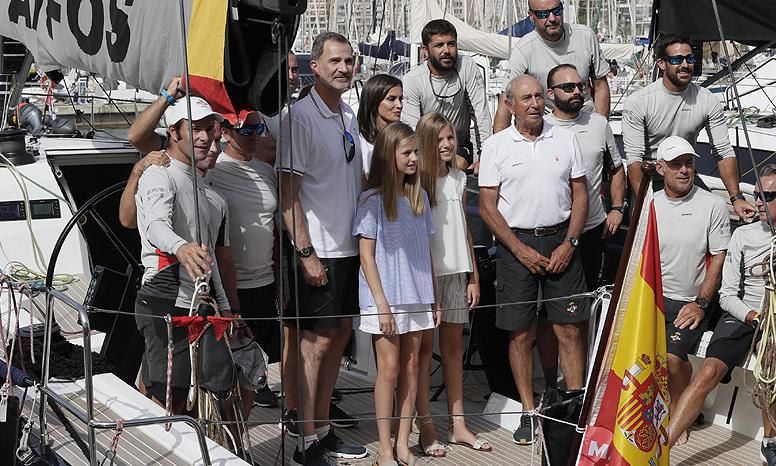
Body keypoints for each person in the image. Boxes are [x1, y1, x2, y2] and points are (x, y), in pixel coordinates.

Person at [479, 75, 589, 445]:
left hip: (561, 239)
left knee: (570, 328)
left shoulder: (566, 138)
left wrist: (570, 242)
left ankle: (575, 407)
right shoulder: (496, 146)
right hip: (516, 244)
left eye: (539, 95)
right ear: (509, 104)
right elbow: (487, 207)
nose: (535, 103)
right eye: (526, 98)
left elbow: (581, 195)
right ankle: (528, 410)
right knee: (521, 332)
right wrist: (518, 249)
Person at [278, 31, 367, 466]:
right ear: (314, 66)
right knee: (314, 343)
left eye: (349, 61)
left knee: (340, 336)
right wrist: (306, 253)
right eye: (335, 61)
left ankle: (324, 429)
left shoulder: (349, 114)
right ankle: (306, 441)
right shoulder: (299, 118)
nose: (344, 68)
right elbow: (288, 195)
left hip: (350, 246)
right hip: (319, 248)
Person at [667, 165, 776, 463]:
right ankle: (661, 448)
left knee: (772, 373)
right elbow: (727, 295)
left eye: (768, 195)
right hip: (743, 314)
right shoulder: (743, 236)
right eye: (756, 194)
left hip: (774, 322)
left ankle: (770, 440)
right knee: (709, 371)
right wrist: (754, 316)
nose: (758, 202)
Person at [133, 98, 232, 415]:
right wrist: (180, 247)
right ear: (173, 132)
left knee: (199, 395)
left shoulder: (201, 185)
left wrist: (226, 308)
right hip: (164, 296)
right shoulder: (159, 174)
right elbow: (155, 226)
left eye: (208, 129)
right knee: (167, 399)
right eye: (196, 129)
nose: (205, 137)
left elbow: (208, 255)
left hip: (198, 303)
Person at [536, 63, 626, 390]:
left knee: (583, 311)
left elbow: (616, 168)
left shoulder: (599, 124)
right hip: (552, 233)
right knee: (546, 316)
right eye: (568, 87)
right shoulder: (540, 126)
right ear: (551, 95)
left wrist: (617, 208)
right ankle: (550, 387)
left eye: (580, 86)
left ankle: (582, 386)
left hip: (591, 232)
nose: (577, 92)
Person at [354, 121, 439, 466]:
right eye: (407, 152)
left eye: (416, 151)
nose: (415, 158)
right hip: (385, 295)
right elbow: (366, 255)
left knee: (412, 368)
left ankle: (404, 442)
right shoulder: (372, 201)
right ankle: (385, 447)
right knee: (388, 370)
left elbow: (426, 252)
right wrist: (382, 305)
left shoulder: (420, 199)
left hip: (418, 294)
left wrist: (433, 297)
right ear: (389, 156)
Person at [415, 112, 490, 456]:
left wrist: (473, 275)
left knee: (454, 350)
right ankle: (425, 426)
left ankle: (457, 423)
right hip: (428, 275)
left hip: (457, 272)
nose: (446, 144)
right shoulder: (418, 182)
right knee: (419, 354)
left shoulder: (459, 179)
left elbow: (464, 228)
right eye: (439, 139)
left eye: (450, 138)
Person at [622, 34, 756, 221]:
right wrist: (648, 205)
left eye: (690, 58)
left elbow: (723, 151)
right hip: (650, 177)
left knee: (714, 213)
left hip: (685, 174)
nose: (685, 65)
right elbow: (634, 160)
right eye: (677, 60)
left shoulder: (707, 99)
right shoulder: (639, 102)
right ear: (661, 64)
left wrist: (737, 198)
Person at [652, 136, 730, 445]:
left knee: (672, 358)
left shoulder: (713, 205)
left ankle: (680, 411)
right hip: (654, 300)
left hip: (693, 301)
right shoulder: (650, 204)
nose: (684, 170)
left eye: (689, 163)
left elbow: (718, 259)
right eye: (676, 165)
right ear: (660, 169)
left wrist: (700, 303)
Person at [206, 111, 281, 410]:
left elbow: (272, 227)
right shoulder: (213, 170)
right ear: (225, 132)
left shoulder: (266, 170)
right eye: (243, 130)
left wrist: (279, 282)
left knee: (254, 367)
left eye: (256, 129)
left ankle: (242, 436)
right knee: (229, 371)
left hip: (264, 282)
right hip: (229, 288)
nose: (251, 136)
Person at [493, 0, 610, 132]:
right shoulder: (524, 49)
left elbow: (600, 86)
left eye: (557, 11)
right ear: (531, 16)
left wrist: (602, 128)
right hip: (549, 131)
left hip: (587, 124)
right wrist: (498, 146)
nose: (552, 18)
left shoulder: (585, 36)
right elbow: (506, 100)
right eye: (543, 14)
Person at [401, 19, 492, 169]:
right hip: (426, 149)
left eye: (451, 44)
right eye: (439, 45)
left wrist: (485, 157)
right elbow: (413, 130)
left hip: (458, 146)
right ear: (425, 50)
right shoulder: (412, 81)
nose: (447, 51)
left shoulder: (466, 66)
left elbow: (481, 114)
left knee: (460, 163)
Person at [357, 74, 403, 177]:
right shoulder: (360, 143)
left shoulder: (408, 136)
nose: (399, 105)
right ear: (374, 101)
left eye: (400, 99)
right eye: (391, 99)